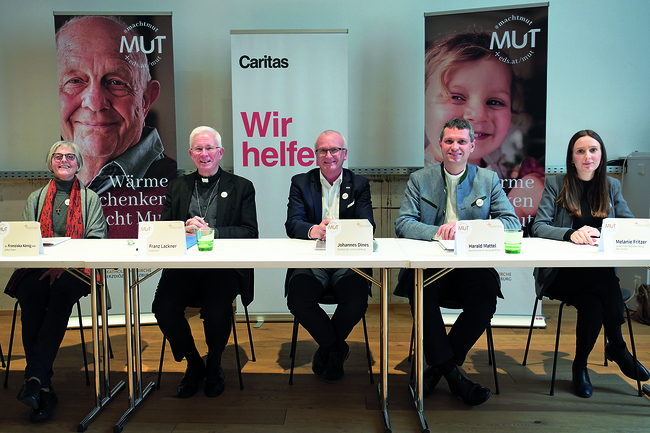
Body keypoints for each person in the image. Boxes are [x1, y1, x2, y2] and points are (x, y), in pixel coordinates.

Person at [395, 118, 520, 406]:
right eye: (449, 141)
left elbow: (511, 223)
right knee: (421, 296)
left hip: (472, 267)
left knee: (485, 302)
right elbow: (403, 223)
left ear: (472, 146)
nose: (455, 147)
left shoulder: (488, 180)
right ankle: (455, 376)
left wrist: (466, 230)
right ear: (440, 145)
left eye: (462, 141)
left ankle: (438, 370)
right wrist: (439, 231)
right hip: (430, 267)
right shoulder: (420, 179)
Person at [531, 130, 649, 398]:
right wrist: (570, 234)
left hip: (597, 274)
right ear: (571, 158)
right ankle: (617, 346)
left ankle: (580, 366)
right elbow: (538, 226)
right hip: (562, 273)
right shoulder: (556, 184)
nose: (587, 156)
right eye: (580, 151)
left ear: (601, 155)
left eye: (593, 150)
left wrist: (611, 233)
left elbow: (629, 226)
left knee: (594, 300)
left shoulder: (611, 186)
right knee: (606, 284)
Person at [151, 126, 258, 398]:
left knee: (216, 309)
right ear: (190, 154)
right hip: (184, 268)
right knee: (162, 307)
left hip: (222, 268)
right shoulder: (177, 185)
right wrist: (181, 228)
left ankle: (215, 365)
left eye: (210, 148)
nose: (204, 153)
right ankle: (194, 362)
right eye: (198, 149)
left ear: (220, 152)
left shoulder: (241, 186)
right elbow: (163, 228)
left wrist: (214, 233)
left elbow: (249, 232)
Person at [6, 141, 107, 423]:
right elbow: (27, 241)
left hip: (77, 271)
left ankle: (36, 378)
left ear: (79, 164)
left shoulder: (91, 200)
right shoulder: (35, 199)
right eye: (58, 156)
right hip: (39, 268)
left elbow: (96, 240)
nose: (64, 161)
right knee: (31, 295)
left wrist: (64, 264)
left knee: (61, 294)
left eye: (70, 157)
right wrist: (49, 264)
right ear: (51, 162)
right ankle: (42, 385)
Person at [56, 15, 177, 237]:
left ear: (146, 99)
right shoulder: (45, 194)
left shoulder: (177, 189)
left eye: (116, 82)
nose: (94, 102)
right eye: (74, 81)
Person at [423, 32, 545, 224]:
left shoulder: (500, 166)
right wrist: (517, 208)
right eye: (456, 96)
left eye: (494, 101)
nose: (478, 114)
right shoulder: (421, 174)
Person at [285, 130, 375, 383]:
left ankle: (328, 348)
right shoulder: (301, 182)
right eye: (323, 150)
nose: (329, 155)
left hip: (348, 259)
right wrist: (314, 230)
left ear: (344, 154)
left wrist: (338, 230)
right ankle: (336, 348)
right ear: (316, 155)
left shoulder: (360, 184)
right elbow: (292, 224)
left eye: (334, 150)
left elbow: (368, 225)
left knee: (356, 300)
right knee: (298, 299)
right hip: (313, 258)